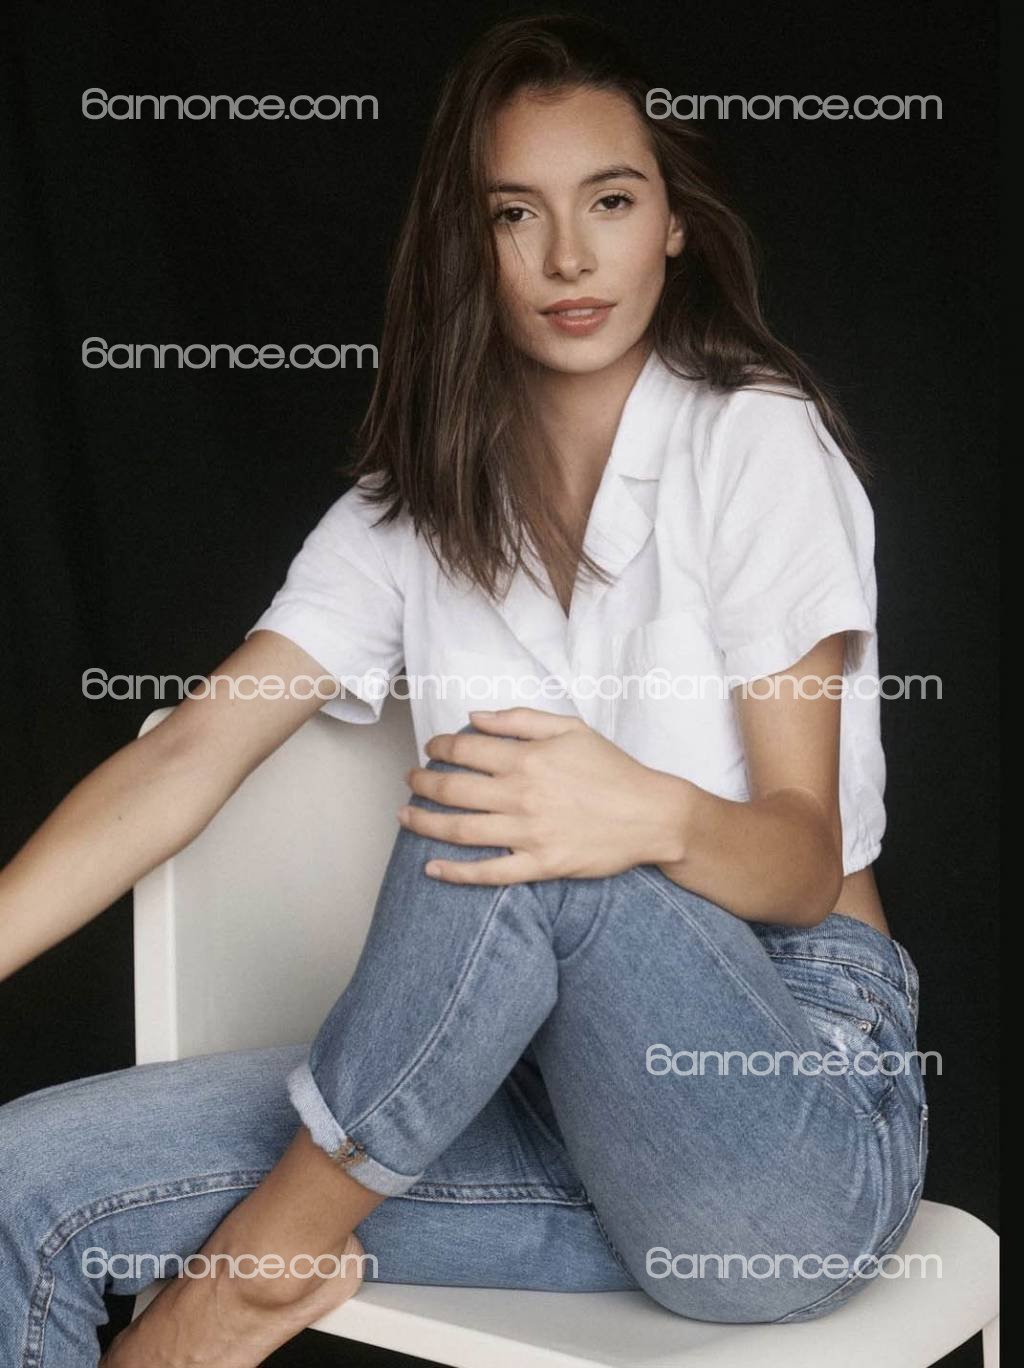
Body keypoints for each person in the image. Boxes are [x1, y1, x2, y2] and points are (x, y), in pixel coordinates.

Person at [0, 15, 928, 1367]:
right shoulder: (411, 513)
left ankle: (251, 1278)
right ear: (467, 242)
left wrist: (645, 813)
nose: (569, 258)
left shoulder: (755, 441)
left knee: (516, 803)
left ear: (673, 223)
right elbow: (188, 753)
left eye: (612, 201)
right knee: (19, 1182)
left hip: (788, 1122)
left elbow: (803, 862)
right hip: (532, 1103)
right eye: (515, 214)